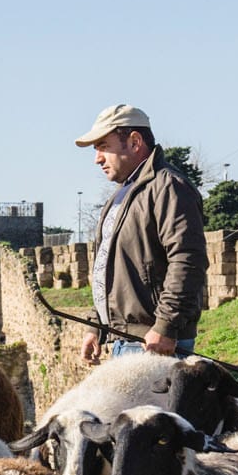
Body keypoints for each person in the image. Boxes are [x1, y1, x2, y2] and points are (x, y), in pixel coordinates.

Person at [73, 104, 206, 363]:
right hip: (128, 340)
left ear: (134, 142)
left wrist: (166, 325)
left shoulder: (168, 187)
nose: (97, 158)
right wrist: (96, 326)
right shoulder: (121, 196)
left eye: (103, 146)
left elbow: (188, 260)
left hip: (154, 343)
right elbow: (113, 272)